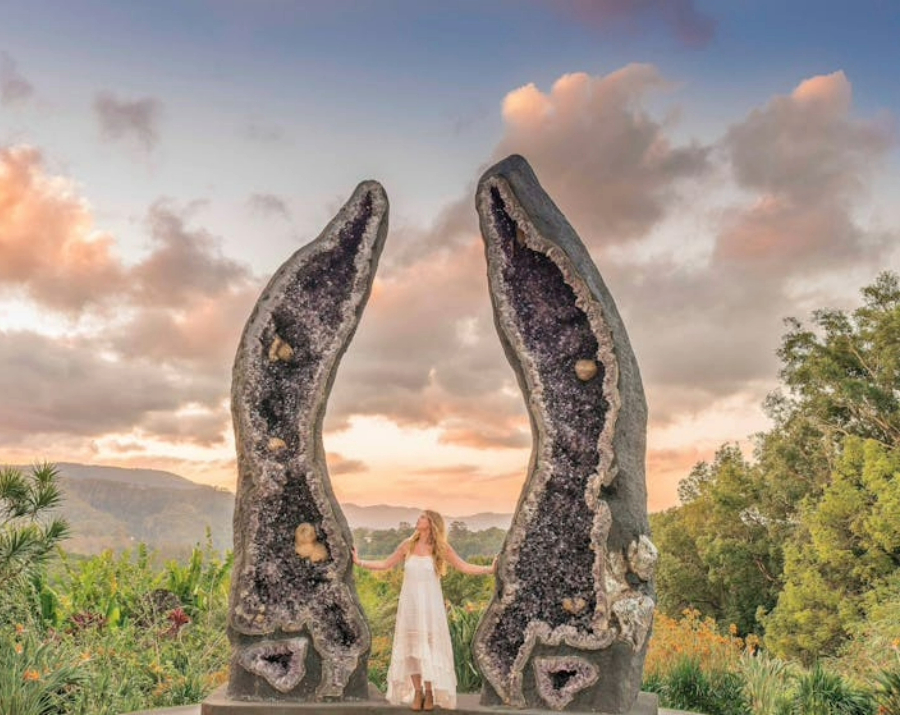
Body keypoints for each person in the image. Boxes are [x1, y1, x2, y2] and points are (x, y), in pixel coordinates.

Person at [353, 510, 496, 711]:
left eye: (422, 517)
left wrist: (490, 569)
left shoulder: (440, 548)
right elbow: (386, 564)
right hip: (410, 606)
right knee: (411, 649)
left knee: (428, 647)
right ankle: (417, 692)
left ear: (431, 523)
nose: (418, 520)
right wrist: (360, 562)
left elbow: (463, 567)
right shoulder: (407, 545)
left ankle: (430, 693)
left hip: (430, 607)